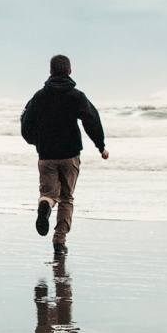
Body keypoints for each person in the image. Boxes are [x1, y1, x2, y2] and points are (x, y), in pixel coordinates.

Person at [20, 55, 108, 255]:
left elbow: (25, 123)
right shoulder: (76, 96)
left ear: (50, 72)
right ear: (69, 71)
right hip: (70, 155)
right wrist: (100, 146)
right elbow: (91, 120)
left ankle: (45, 205)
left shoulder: (39, 96)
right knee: (67, 198)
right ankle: (59, 241)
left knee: (48, 194)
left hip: (46, 155)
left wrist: (36, 141)